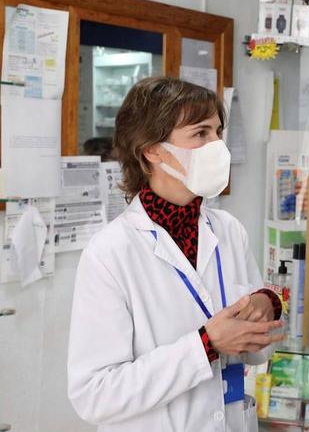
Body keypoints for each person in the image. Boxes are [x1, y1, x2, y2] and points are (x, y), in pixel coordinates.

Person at [68, 77, 285, 431]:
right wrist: (205, 346)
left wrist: (266, 306)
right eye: (201, 134)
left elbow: (259, 352)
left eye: (218, 132)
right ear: (152, 149)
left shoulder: (228, 230)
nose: (218, 146)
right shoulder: (109, 253)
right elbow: (94, 395)